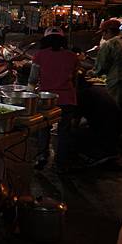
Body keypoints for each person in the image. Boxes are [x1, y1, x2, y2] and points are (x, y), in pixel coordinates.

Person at [28, 26, 79, 170]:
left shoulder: (39, 55)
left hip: (46, 100)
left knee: (43, 128)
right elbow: (75, 79)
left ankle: (42, 156)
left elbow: (32, 79)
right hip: (67, 99)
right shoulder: (72, 56)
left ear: (45, 40)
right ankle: (61, 162)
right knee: (64, 131)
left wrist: (28, 97)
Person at [93, 19, 122, 110]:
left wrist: (92, 72)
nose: (102, 36)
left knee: (114, 108)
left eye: (103, 33)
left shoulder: (108, 44)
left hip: (116, 82)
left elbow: (100, 68)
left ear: (108, 31)